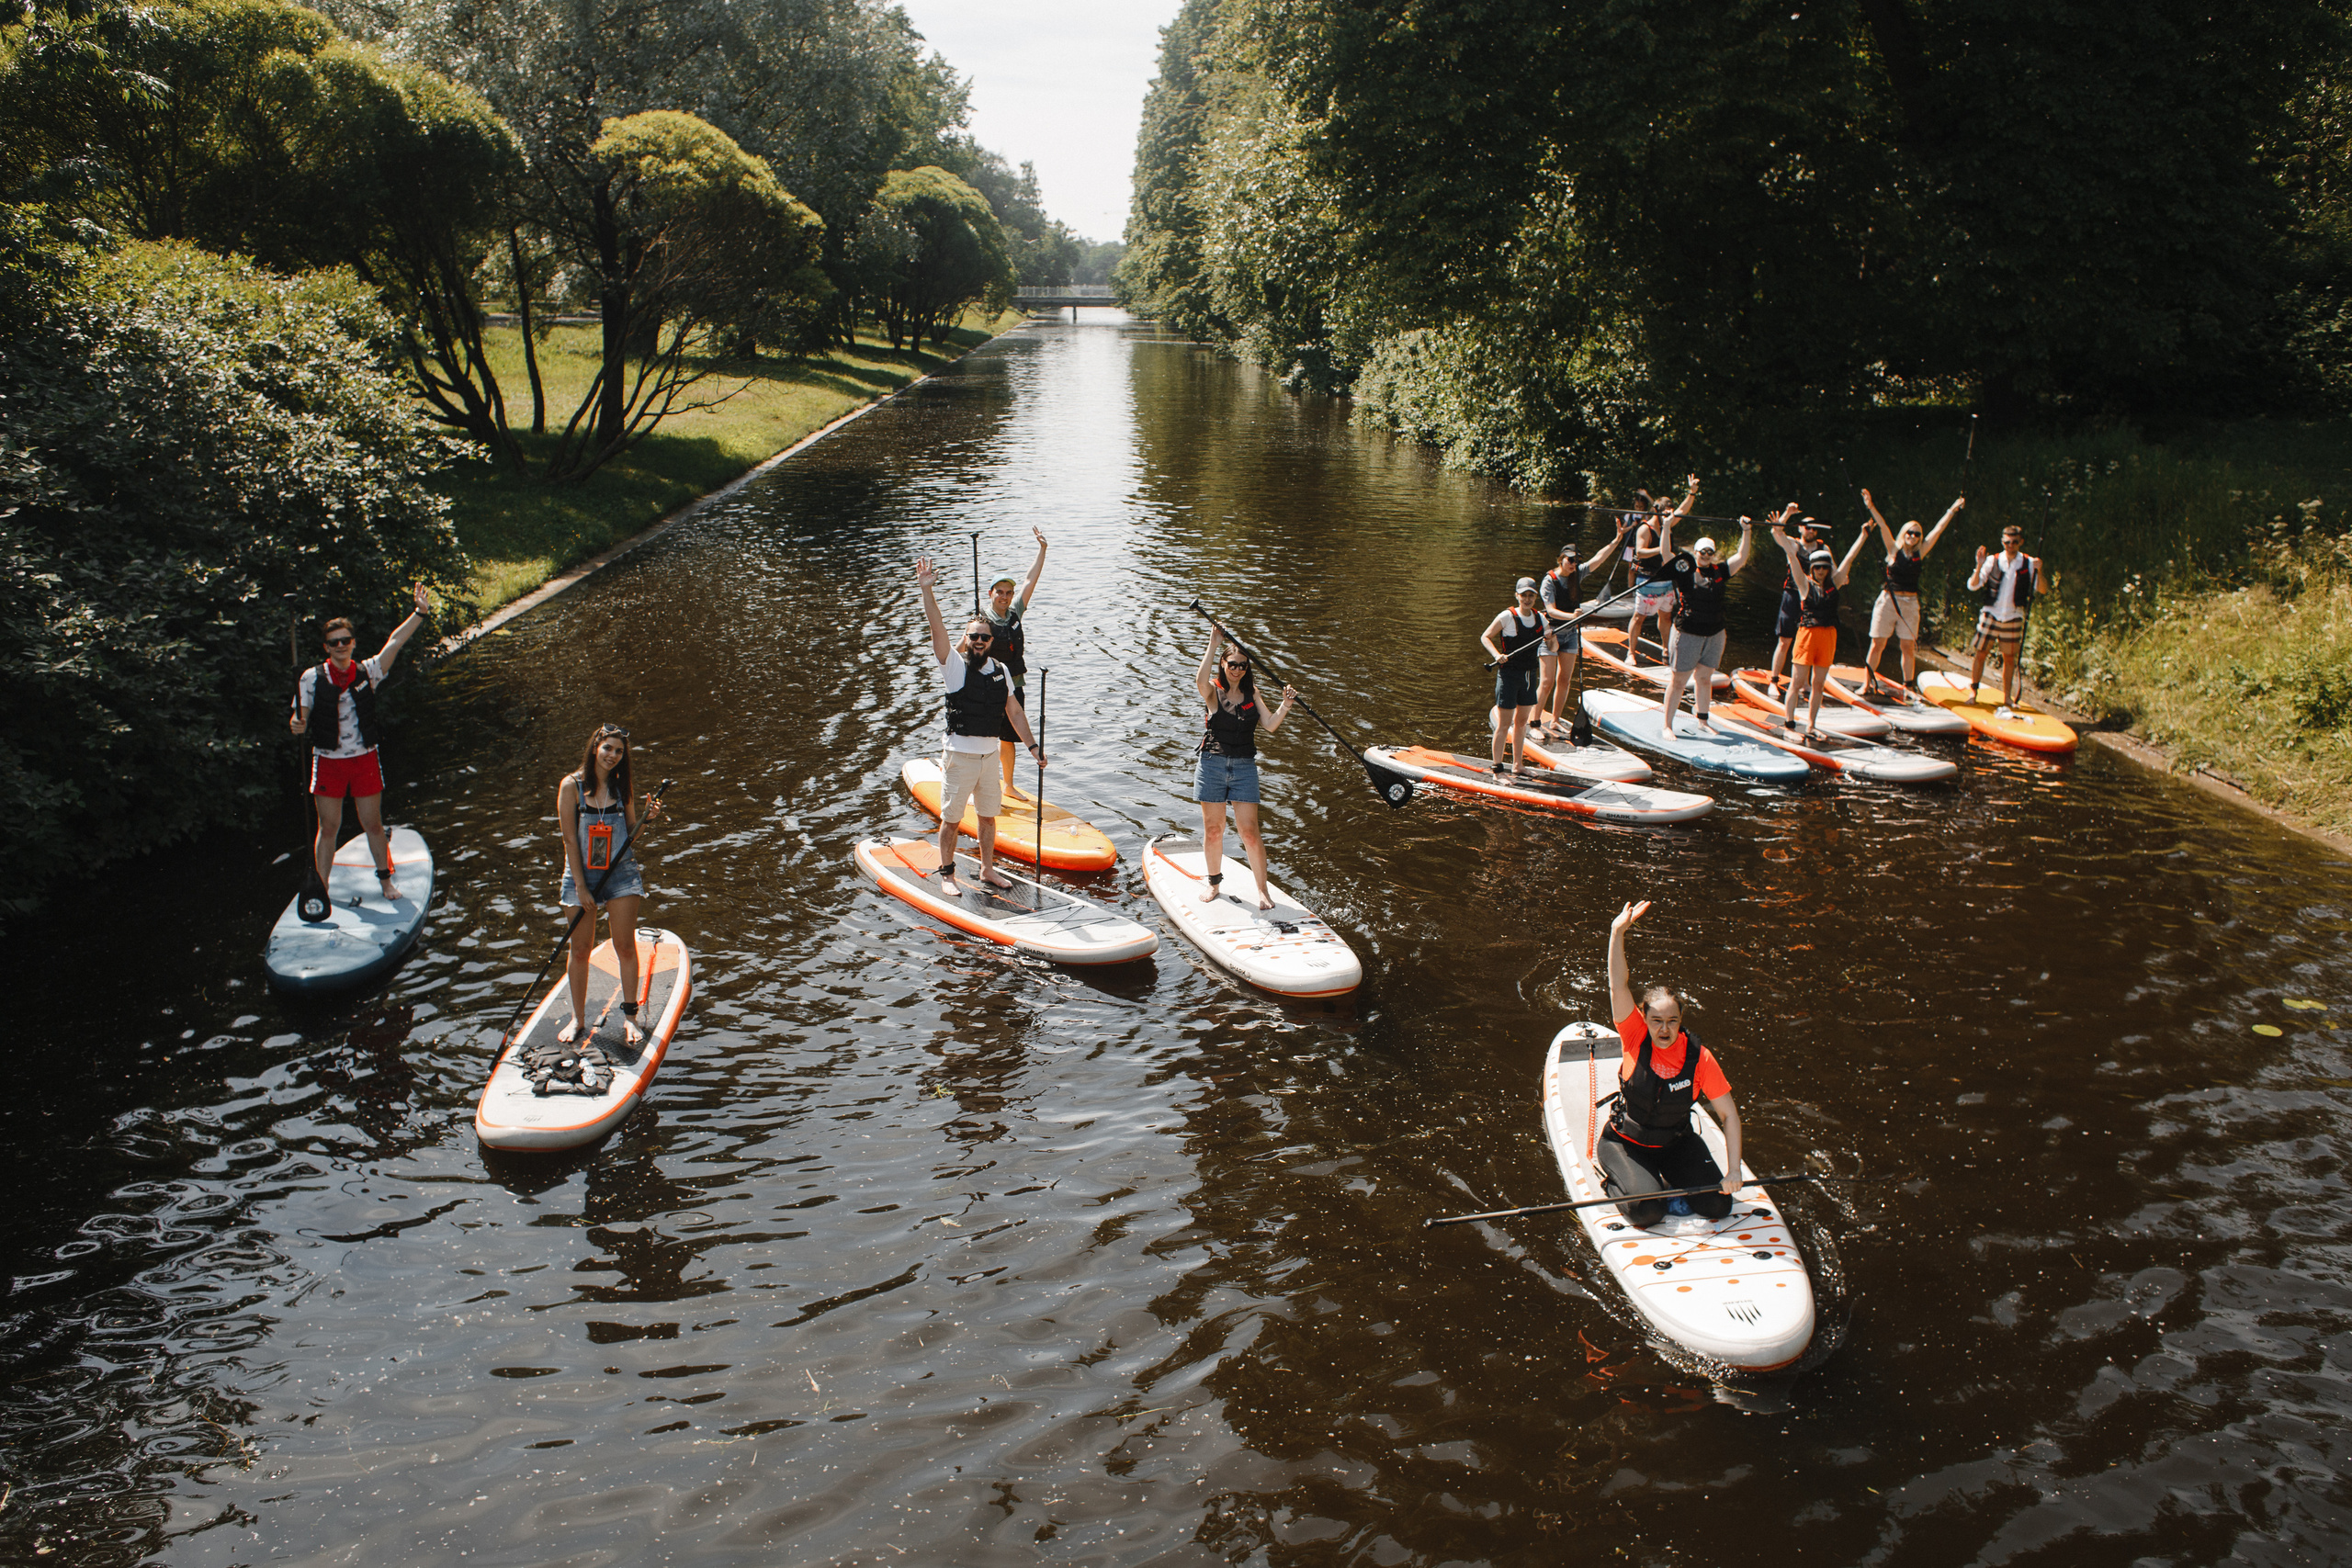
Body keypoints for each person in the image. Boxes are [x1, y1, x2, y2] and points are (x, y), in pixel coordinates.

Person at [1600, 900, 1744, 1227]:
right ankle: (1620, 1182)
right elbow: (1617, 985)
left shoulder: (1700, 1058)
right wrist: (1617, 931)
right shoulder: (1634, 1035)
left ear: (1681, 1021)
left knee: (1719, 1206)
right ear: (1644, 1019)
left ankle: (1669, 1180)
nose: (1664, 1030)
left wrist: (1734, 1170)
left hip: (1675, 1143)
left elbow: (1729, 1115)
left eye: (1672, 1021)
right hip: (1627, 1144)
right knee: (1648, 1213)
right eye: (1656, 1021)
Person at [288, 584, 432, 908]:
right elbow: (300, 717)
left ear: (353, 643)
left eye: (346, 641)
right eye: (334, 642)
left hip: (364, 758)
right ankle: (321, 886)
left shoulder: (368, 671)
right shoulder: (310, 678)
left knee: (373, 823)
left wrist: (419, 613)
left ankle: (385, 879)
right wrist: (297, 724)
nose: (341, 646)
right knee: (329, 828)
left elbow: (395, 642)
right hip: (328, 761)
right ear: (327, 647)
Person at [917, 556, 1046, 893]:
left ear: (991, 642)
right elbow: (937, 628)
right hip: (959, 756)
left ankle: (988, 870)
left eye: (984, 638)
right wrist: (927, 591)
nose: (978, 642)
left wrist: (1033, 747)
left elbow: (1015, 713)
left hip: (989, 759)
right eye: (973, 637)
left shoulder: (1001, 670)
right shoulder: (954, 667)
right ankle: (947, 874)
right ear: (968, 638)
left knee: (989, 818)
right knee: (952, 819)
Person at [555, 724, 661, 1047]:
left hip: (620, 873)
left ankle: (630, 1018)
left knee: (625, 946)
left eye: (618, 751)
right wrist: (583, 889)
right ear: (594, 748)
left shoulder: (621, 786)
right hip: (580, 874)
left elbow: (630, 835)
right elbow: (571, 841)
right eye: (608, 748)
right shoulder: (571, 786)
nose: (612, 756)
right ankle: (578, 1020)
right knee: (581, 950)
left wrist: (647, 817)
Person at [1193, 625, 1295, 910]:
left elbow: (1271, 725)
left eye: (1241, 665)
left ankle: (1262, 891)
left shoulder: (1253, 692)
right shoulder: (1213, 690)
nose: (1236, 670)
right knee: (1214, 829)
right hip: (1212, 763)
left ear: (1246, 668)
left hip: (1244, 767)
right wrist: (1213, 643)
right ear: (1223, 664)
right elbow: (1199, 680)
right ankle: (1214, 883)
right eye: (1232, 664)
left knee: (1249, 831)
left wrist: (1285, 705)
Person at [1658, 510, 1770, 732]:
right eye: (1702, 552)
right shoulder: (1685, 570)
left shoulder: (1720, 571)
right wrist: (1667, 526)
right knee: (1679, 681)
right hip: (1688, 632)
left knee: (1705, 678)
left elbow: (1742, 557)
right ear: (1696, 552)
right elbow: (1665, 554)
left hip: (1715, 632)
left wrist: (1746, 531)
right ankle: (1667, 726)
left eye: (1710, 552)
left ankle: (1702, 721)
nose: (1706, 555)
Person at [1772, 519, 1873, 739]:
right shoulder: (1804, 583)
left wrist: (1863, 535)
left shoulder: (1834, 583)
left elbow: (1849, 559)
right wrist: (1779, 531)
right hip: (1806, 636)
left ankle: (1811, 725)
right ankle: (1789, 726)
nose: (1820, 571)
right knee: (1798, 682)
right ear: (1812, 568)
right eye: (1816, 567)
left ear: (1828, 569)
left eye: (1824, 567)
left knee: (1818, 684)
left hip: (1828, 636)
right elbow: (1791, 555)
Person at [1858, 489, 1963, 698]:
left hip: (1910, 603)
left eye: (1917, 534)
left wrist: (1952, 510)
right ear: (1904, 534)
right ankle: (1867, 682)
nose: (1913, 537)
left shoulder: (1920, 552)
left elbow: (1938, 530)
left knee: (1907, 646)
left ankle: (1908, 686)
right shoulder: (1893, 550)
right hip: (1889, 601)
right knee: (1878, 643)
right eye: (1910, 533)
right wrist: (1870, 506)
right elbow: (1883, 526)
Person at [1534, 521, 1632, 737]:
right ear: (1561, 559)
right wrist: (1572, 616)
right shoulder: (1549, 581)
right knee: (1548, 681)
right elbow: (1549, 610)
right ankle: (1534, 723)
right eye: (1570, 560)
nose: (1573, 564)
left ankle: (1556, 720)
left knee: (1564, 679)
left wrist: (1617, 539)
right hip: (1550, 633)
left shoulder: (1577, 574)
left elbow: (1599, 558)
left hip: (1570, 636)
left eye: (1577, 561)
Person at [983, 526, 1049, 796]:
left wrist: (1042, 550)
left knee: (1008, 738)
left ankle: (1008, 786)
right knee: (986, 737)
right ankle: (984, 786)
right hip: (988, 685)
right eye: (1000, 592)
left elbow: (1029, 580)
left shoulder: (1015, 612)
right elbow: (962, 649)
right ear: (991, 593)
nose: (1005, 596)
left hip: (1014, 684)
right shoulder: (982, 620)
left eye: (1008, 592)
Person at [1624, 475, 1701, 667]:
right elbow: (1640, 552)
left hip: (1666, 581)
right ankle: (1630, 653)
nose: (1668, 516)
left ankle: (1666, 648)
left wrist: (1692, 492)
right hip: (1647, 580)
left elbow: (1683, 509)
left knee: (1666, 616)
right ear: (1656, 512)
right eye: (1665, 513)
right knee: (1639, 617)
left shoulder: (1668, 524)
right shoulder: (1645, 528)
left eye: (1670, 513)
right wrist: (1662, 550)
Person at [1966, 524, 2043, 711]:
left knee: (2009, 658)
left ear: (2021, 542)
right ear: (2002, 542)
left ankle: (2007, 698)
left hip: (2013, 615)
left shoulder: (2029, 563)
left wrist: (2040, 571)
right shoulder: (1992, 560)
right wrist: (1978, 565)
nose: (2011, 545)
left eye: (2015, 542)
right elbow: (1973, 585)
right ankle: (1973, 692)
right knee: (1981, 653)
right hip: (1991, 613)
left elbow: (2041, 589)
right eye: (2007, 542)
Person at [1482, 579, 1550, 775]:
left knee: (1521, 723)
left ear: (1536, 597)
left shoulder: (1541, 619)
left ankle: (1518, 766)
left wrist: (1551, 638)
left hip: (1529, 675)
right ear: (1517, 596)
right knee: (1504, 724)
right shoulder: (1507, 616)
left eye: (1531, 595)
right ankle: (1497, 769)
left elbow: (1552, 647)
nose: (1527, 599)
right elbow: (1485, 637)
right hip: (1509, 675)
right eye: (1523, 595)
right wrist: (1496, 655)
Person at [1763, 516, 1830, 695]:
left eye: (1814, 529)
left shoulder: (1824, 549)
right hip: (1792, 595)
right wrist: (1786, 515)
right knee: (1785, 641)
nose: (1811, 531)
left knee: (1808, 642)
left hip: (1812, 600)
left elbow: (1834, 570)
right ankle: (1774, 681)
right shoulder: (1794, 545)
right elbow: (1776, 532)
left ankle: (1805, 683)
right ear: (1800, 528)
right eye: (1807, 527)